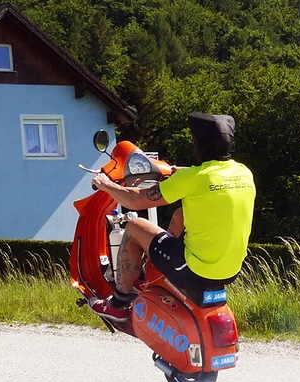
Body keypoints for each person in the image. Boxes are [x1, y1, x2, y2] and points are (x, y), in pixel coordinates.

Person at [87, 112, 256, 323]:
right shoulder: (243, 172)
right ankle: (154, 273)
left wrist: (105, 184)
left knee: (134, 226)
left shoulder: (192, 179)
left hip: (194, 271)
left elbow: (136, 201)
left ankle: (118, 303)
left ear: (200, 145)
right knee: (181, 214)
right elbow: (209, 176)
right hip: (230, 271)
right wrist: (175, 170)